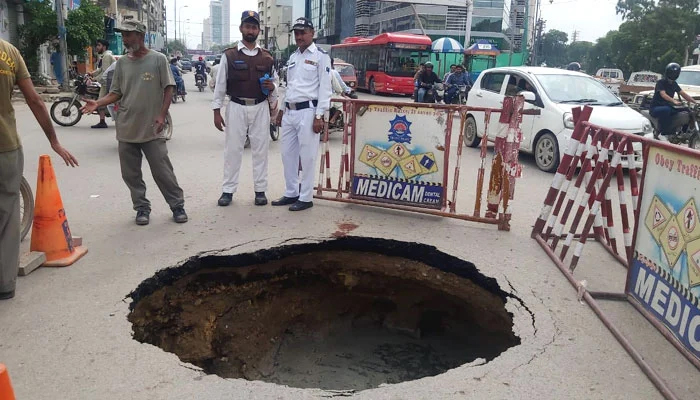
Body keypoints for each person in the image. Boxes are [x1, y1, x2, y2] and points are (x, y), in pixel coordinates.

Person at [81, 19, 187, 226]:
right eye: (124, 36)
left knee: (162, 171)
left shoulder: (158, 59)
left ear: (141, 36)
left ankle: (177, 205)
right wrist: (98, 103)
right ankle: (141, 208)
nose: (126, 39)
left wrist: (162, 114)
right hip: (127, 126)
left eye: (129, 35)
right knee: (131, 174)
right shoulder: (121, 63)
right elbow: (116, 92)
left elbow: (169, 88)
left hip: (152, 127)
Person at [0, 38, 78, 300]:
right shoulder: (8, 52)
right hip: (5, 146)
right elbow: (34, 100)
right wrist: (54, 141)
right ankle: (5, 284)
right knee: (9, 215)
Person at [212, 10, 277, 207]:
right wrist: (216, 111)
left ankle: (260, 191)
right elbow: (220, 84)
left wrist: (273, 90)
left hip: (259, 107)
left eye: (254, 27)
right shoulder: (230, 55)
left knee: (261, 150)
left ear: (258, 30)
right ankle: (228, 191)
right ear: (241, 28)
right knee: (233, 151)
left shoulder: (267, 57)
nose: (251, 30)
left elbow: (275, 83)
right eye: (247, 26)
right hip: (236, 106)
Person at [272, 17, 332, 211]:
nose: (299, 36)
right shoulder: (293, 56)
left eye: (302, 32)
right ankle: (291, 192)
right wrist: (281, 110)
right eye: (296, 33)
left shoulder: (321, 56)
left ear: (312, 33)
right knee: (287, 155)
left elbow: (325, 89)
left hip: (308, 111)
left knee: (307, 157)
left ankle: (306, 197)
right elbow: (290, 86)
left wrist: (319, 116)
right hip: (290, 111)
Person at [650, 62, 698, 136]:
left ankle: (684, 132)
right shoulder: (661, 82)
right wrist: (674, 101)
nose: (673, 75)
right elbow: (663, 94)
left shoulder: (674, 84)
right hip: (656, 107)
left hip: (668, 106)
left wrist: (694, 102)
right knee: (667, 110)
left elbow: (683, 94)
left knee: (688, 110)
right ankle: (664, 132)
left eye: (675, 73)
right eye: (672, 73)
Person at [88, 39, 115, 128]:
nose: (97, 47)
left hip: (107, 83)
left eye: (99, 45)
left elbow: (105, 72)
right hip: (107, 82)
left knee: (100, 102)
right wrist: (92, 73)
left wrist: (95, 79)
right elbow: (100, 69)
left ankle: (102, 121)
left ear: (104, 47)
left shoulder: (106, 56)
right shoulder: (104, 56)